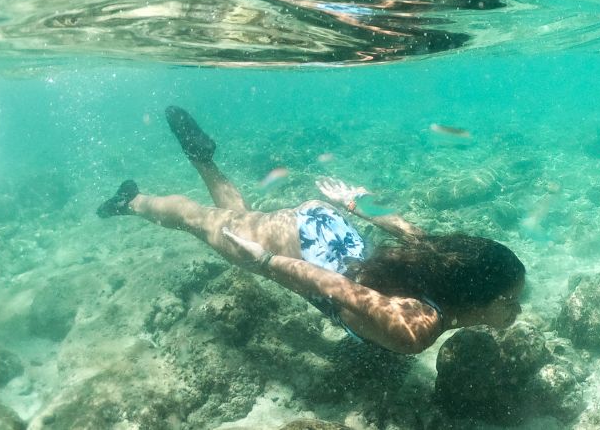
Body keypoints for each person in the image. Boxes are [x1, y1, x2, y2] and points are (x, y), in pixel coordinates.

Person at [96, 106, 525, 354]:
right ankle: (131, 200)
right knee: (200, 221)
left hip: (329, 230)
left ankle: (202, 158)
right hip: (306, 250)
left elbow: (414, 234)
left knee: (236, 218)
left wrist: (354, 204)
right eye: (510, 301)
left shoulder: (446, 275)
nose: (517, 311)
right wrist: (263, 261)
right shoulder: (417, 330)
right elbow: (336, 288)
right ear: (477, 298)